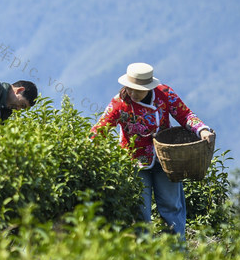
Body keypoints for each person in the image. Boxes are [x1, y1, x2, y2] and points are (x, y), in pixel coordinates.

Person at [90, 62, 215, 238]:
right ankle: (144, 248)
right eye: (130, 88)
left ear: (148, 88)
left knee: (171, 206)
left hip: (166, 159)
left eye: (137, 90)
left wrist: (202, 130)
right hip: (135, 161)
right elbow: (100, 128)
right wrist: (88, 147)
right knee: (140, 210)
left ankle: (175, 248)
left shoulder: (164, 94)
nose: (132, 93)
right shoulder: (119, 103)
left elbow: (184, 114)